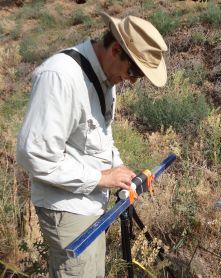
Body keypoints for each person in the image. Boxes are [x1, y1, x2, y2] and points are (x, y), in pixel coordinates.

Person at [16, 12, 168, 277]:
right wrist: (101, 177)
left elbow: (100, 137)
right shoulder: (61, 77)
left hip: (92, 205)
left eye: (139, 76)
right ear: (116, 49)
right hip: (68, 211)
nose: (132, 81)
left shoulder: (105, 79)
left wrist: (118, 168)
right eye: (133, 72)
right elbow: (35, 155)